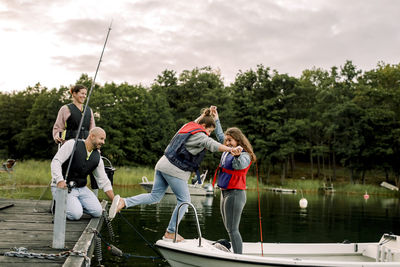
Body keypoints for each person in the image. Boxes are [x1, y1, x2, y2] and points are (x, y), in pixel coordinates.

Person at [109, 107, 242, 242]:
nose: (208, 134)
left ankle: (124, 202)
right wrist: (231, 149)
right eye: (209, 130)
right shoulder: (201, 135)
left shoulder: (188, 126)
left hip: (162, 164)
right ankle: (171, 232)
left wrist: (211, 117)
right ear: (203, 126)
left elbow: (198, 123)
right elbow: (213, 144)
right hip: (175, 169)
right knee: (184, 201)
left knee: (154, 196)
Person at [211, 106, 256, 254]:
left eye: (230, 140)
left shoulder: (244, 154)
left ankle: (238, 258)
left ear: (238, 141)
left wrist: (236, 155)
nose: (227, 143)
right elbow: (219, 135)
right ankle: (235, 253)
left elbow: (241, 165)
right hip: (225, 193)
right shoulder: (228, 148)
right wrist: (216, 118)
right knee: (228, 227)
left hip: (235, 194)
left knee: (233, 228)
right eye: (227, 140)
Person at [50, 127, 115, 220]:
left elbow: (104, 181)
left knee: (97, 212)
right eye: (101, 139)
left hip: (82, 189)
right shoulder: (72, 144)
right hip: (63, 188)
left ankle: (73, 205)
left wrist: (114, 200)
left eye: (104, 139)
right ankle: (60, 205)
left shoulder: (97, 157)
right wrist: (59, 180)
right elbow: (56, 162)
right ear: (92, 136)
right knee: (75, 215)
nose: (103, 142)